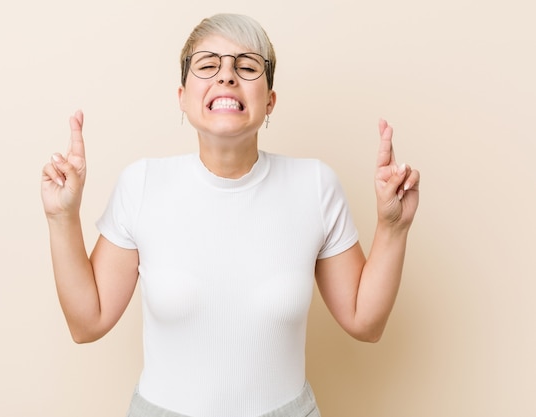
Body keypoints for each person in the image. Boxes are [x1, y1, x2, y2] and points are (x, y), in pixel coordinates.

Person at [41, 13, 420, 417]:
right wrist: (63, 217)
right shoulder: (142, 184)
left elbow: (366, 322)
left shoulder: (315, 185)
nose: (226, 76)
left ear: (270, 99)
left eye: (247, 66)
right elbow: (87, 322)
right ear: (183, 96)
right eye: (208, 65)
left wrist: (393, 227)